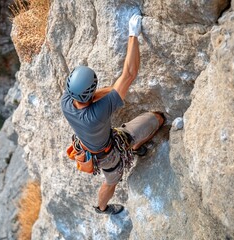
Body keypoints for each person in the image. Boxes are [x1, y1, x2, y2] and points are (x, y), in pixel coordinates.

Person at [61, 14, 165, 215]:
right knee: (157, 119)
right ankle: (101, 208)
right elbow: (130, 74)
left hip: (94, 145)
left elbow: (93, 96)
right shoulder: (97, 114)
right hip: (108, 156)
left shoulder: (66, 101)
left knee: (138, 131)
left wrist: (113, 90)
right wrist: (133, 34)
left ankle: (134, 147)